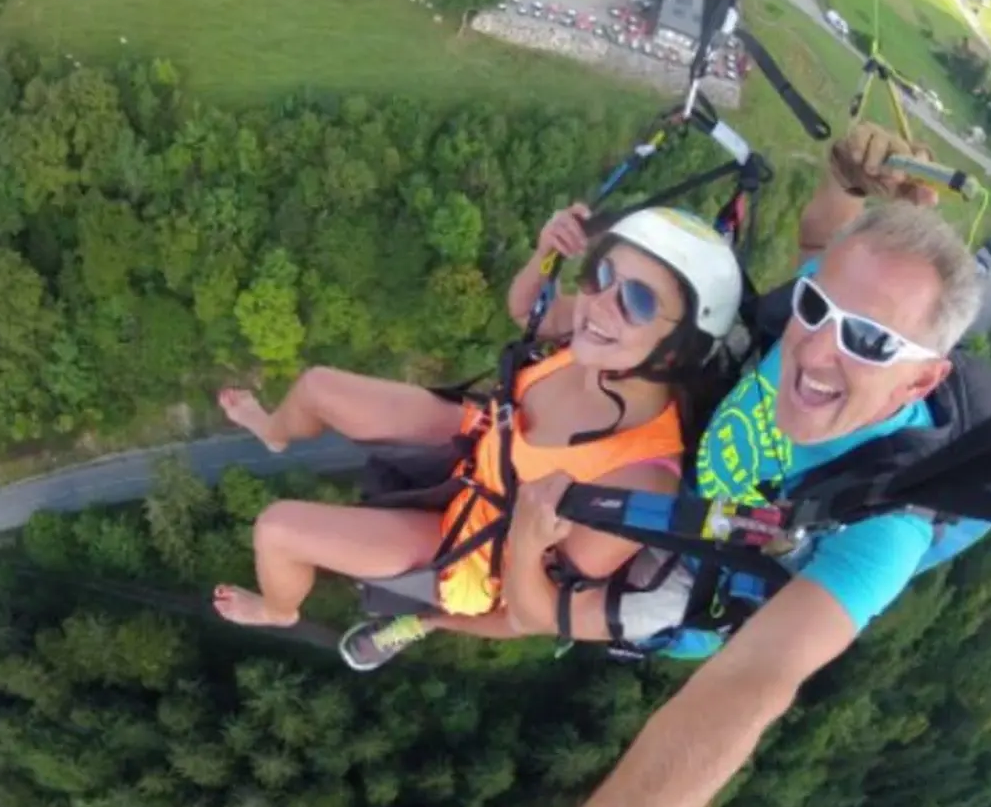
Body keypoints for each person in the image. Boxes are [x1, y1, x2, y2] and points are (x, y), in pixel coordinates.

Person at [455, 123, 987, 807]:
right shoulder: (807, 336)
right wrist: (844, 178)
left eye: (870, 342)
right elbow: (820, 235)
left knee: (511, 602)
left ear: (921, 381)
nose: (818, 349)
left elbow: (752, 684)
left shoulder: (884, 526)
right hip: (677, 474)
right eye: (815, 308)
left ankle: (421, 615)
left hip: (689, 579)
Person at [211, 205, 745, 669]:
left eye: (638, 301)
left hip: (478, 544)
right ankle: (276, 433)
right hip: (484, 437)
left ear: (676, 350)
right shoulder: (595, 339)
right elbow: (527, 312)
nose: (599, 303)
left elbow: (530, 614)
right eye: (601, 274)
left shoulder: (641, 478)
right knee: (317, 387)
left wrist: (531, 543)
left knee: (277, 531)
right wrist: (545, 254)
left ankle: (280, 611)